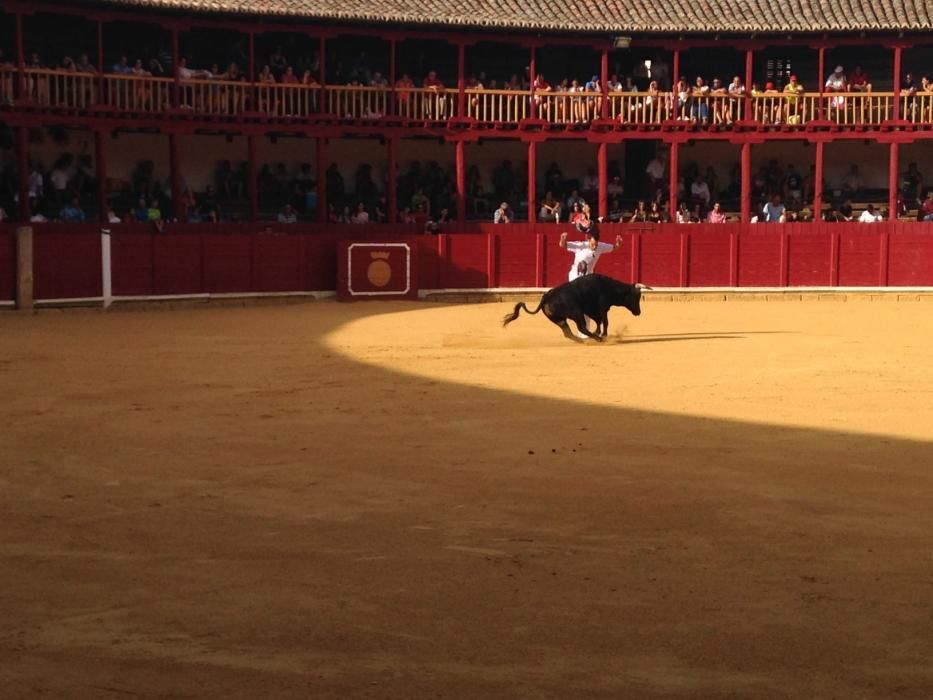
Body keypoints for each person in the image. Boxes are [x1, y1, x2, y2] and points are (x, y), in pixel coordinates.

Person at [558, 227, 623, 283]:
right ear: (588, 240)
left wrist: (618, 244)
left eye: (596, 244)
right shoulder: (581, 245)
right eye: (592, 244)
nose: (594, 247)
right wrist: (562, 239)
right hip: (575, 276)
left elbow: (614, 247)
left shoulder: (601, 246)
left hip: (588, 277)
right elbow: (563, 245)